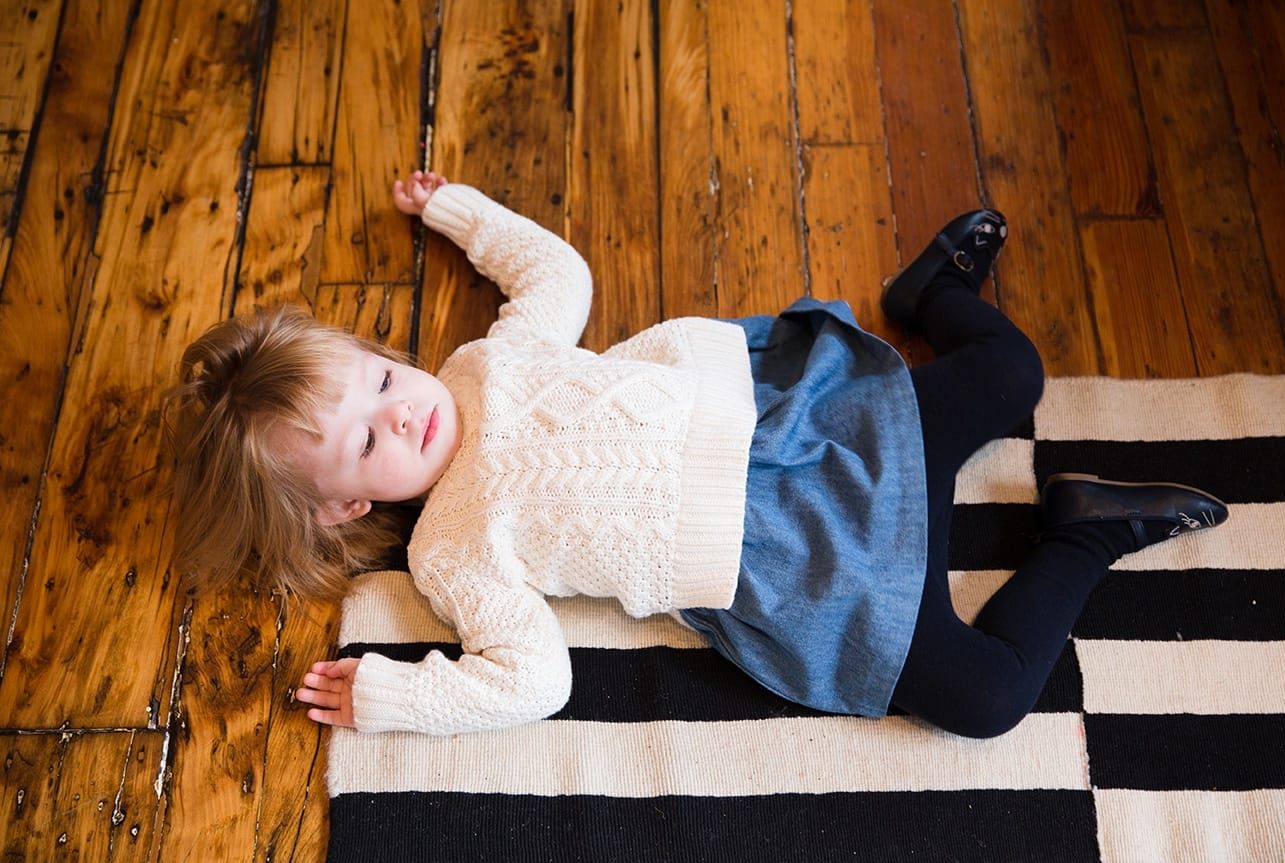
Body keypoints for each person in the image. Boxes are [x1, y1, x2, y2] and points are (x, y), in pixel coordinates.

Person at [167, 171, 1228, 739]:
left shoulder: (484, 364)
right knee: (989, 700)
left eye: (383, 379)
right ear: (342, 509)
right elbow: (529, 679)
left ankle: (930, 297)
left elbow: (555, 281)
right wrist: (397, 696)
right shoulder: (452, 552)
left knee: (1009, 375)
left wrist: (463, 213)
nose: (401, 414)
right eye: (363, 440)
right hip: (793, 568)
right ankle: (1078, 535)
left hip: (803, 430)